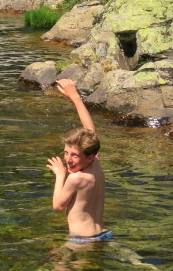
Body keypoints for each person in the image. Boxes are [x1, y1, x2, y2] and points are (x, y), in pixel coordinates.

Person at [46, 79, 111, 244]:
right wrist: (74, 96)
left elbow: (58, 206)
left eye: (74, 155)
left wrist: (60, 175)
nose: (68, 159)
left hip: (81, 240)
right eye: (66, 153)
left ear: (89, 156)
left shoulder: (76, 178)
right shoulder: (95, 163)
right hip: (104, 234)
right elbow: (90, 131)